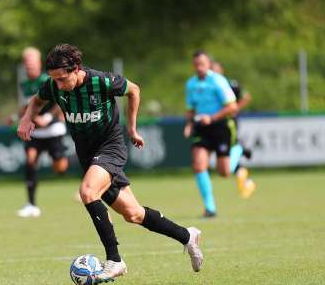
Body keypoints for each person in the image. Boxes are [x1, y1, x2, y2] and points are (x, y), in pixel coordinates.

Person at [18, 44, 203, 283]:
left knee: (87, 191)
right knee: (134, 214)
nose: (59, 85)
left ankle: (114, 260)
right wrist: (25, 118)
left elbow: (134, 90)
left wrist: (132, 128)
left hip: (110, 148)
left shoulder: (100, 81)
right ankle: (187, 236)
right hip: (88, 155)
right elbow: (36, 100)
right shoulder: (54, 85)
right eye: (55, 80)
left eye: (63, 79)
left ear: (77, 69)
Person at [183, 50, 251, 218]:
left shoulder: (218, 81)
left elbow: (233, 107)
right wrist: (190, 124)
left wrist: (212, 118)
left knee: (224, 172)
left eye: (202, 64)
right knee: (199, 165)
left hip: (221, 127)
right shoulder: (191, 84)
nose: (199, 67)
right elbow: (191, 109)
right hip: (202, 128)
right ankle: (210, 208)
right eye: (196, 64)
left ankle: (239, 150)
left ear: (208, 64)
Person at [15, 47, 69, 218]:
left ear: (39, 63)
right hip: (35, 132)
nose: (30, 66)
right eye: (27, 62)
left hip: (53, 130)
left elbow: (59, 102)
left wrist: (47, 117)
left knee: (60, 168)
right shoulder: (24, 85)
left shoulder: (48, 79)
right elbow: (26, 105)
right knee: (30, 161)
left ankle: (77, 163)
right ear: (24, 65)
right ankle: (31, 204)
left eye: (33, 62)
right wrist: (15, 116)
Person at [211, 61, 256, 198]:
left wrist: (234, 109)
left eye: (215, 70)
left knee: (229, 151)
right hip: (216, 123)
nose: (213, 73)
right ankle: (246, 179)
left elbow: (246, 97)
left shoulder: (230, 85)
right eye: (211, 71)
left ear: (221, 71)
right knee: (224, 161)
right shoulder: (208, 86)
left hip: (229, 122)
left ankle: (241, 148)